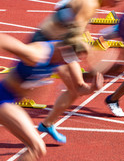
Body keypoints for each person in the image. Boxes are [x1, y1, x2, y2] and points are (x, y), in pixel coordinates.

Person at [31, 0, 124, 142]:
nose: (117, 5)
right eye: (116, 0)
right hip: (45, 42)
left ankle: (47, 124)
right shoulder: (89, 4)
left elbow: (70, 19)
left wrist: (86, 43)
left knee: (76, 88)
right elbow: (75, 36)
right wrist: (90, 53)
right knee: (23, 88)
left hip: (60, 44)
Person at [0, 33, 92, 161]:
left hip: (11, 101)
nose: (70, 63)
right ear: (64, 49)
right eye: (71, 58)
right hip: (3, 99)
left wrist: (93, 88)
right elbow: (3, 40)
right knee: (37, 148)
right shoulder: (37, 54)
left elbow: (79, 88)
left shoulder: (65, 56)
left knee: (38, 149)